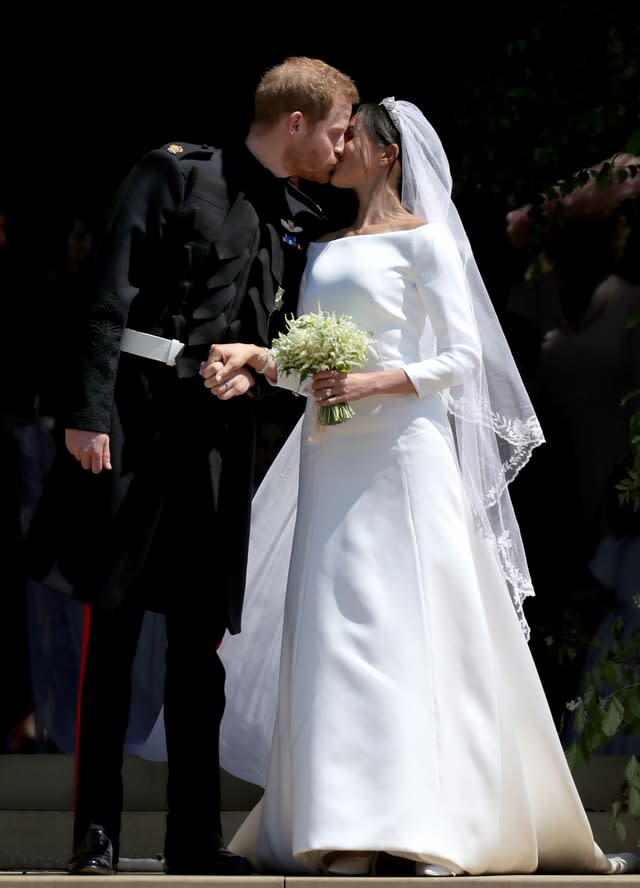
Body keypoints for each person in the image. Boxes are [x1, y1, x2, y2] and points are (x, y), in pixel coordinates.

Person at [198, 99, 640, 876]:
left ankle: (426, 818)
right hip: (332, 454)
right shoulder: (324, 246)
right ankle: (341, 824)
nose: (338, 150)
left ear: (387, 153)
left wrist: (372, 379)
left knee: (410, 627)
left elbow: (463, 358)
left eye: (351, 139)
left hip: (404, 452)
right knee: (337, 631)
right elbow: (310, 361)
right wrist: (265, 360)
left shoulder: (428, 242)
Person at [25, 56, 359, 876]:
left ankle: (193, 836)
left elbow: (281, 333)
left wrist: (255, 367)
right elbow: (107, 291)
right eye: (338, 127)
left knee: (197, 643)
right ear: (297, 122)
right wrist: (87, 414)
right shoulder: (174, 173)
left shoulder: (294, 215)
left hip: (218, 446)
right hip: (135, 427)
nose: (342, 144)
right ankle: (95, 832)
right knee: (114, 632)